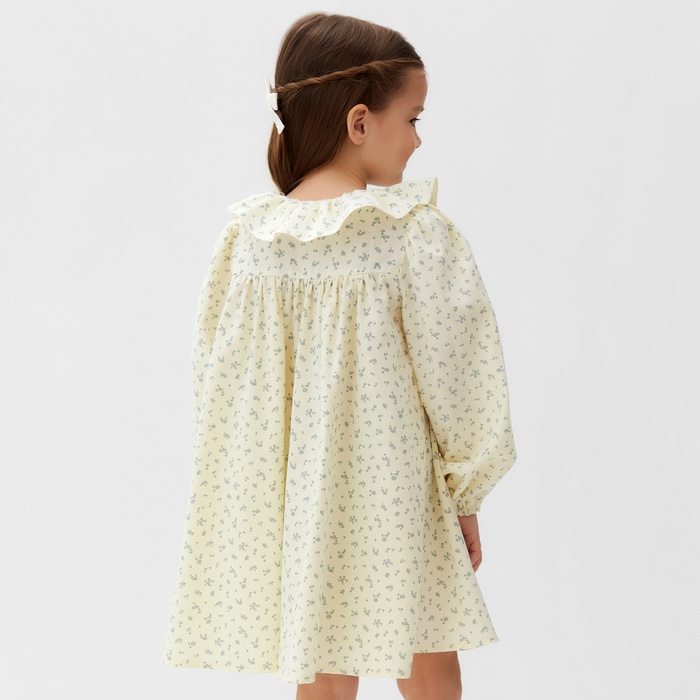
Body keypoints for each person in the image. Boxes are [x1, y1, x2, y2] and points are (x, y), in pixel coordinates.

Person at [162, 12, 517, 700]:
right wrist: (465, 492)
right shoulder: (410, 236)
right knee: (428, 660)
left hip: (300, 498)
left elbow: (217, 380)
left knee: (322, 669)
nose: (418, 138)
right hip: (398, 490)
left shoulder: (249, 242)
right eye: (412, 118)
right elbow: (457, 372)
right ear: (360, 123)